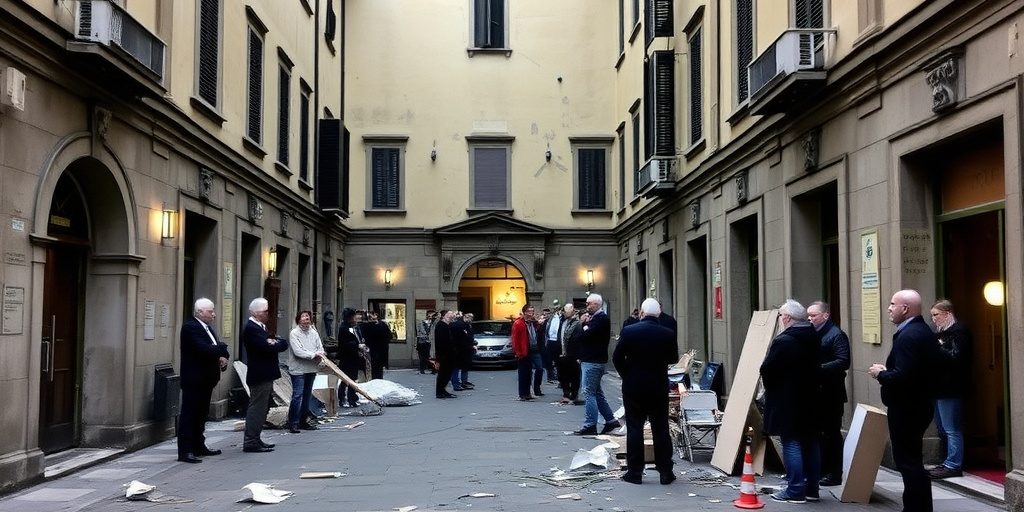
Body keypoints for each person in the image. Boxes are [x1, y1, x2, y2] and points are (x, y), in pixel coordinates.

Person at [869, 289, 941, 512]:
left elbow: (904, 377)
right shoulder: (920, 332)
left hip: (908, 408)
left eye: (892, 304)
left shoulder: (911, 335)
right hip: (916, 406)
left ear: (905, 309)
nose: (889, 309)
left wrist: (881, 374)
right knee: (911, 461)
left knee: (908, 463)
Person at [761, 299, 822, 503]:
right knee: (810, 441)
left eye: (780, 316)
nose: (780, 319)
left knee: (791, 441)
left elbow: (768, 370)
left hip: (787, 399)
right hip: (811, 397)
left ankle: (795, 489)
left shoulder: (784, 341)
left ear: (786, 318)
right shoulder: (813, 336)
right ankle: (812, 488)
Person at [613, 298, 678, 485]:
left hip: (634, 386)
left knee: (634, 428)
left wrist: (627, 374)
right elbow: (672, 358)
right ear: (658, 314)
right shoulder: (667, 333)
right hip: (657, 386)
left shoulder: (629, 331)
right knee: (660, 429)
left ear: (641, 312)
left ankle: (635, 472)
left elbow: (617, 357)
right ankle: (665, 472)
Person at [176, 298, 230, 463]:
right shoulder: (191, 327)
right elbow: (204, 349)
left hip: (207, 379)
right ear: (199, 312)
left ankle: (199, 445)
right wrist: (222, 349)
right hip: (194, 379)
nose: (213, 314)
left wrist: (222, 353)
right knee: (189, 415)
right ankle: (185, 451)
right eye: (210, 311)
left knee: (201, 414)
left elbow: (216, 346)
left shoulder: (207, 328)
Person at [807, 301, 851, 487]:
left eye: (813, 316)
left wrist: (818, 369)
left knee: (831, 433)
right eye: (808, 315)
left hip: (831, 394)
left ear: (825, 315)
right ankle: (821, 470)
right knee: (818, 434)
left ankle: (834, 473)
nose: (809, 319)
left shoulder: (836, 335)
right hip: (818, 392)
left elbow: (843, 361)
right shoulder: (813, 334)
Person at [929, 299, 973, 479]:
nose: (933, 319)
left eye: (936, 315)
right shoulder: (940, 333)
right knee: (941, 426)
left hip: (951, 387)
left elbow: (957, 358)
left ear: (947, 314)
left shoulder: (959, 331)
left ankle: (953, 464)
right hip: (938, 387)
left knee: (951, 427)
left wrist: (938, 348)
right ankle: (947, 461)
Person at [241, 297, 289, 453]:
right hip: (259, 374)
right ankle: (251, 440)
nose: (268, 314)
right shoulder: (252, 329)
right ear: (255, 313)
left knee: (263, 407)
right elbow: (266, 347)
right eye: (265, 311)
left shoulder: (260, 327)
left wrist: (275, 342)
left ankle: (256, 438)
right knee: (257, 408)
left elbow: (282, 343)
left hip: (265, 373)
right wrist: (274, 343)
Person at [573, 293, 621, 435]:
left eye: (589, 303)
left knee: (588, 393)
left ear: (597, 304)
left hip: (593, 360)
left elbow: (584, 336)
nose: (587, 306)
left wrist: (584, 325)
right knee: (596, 393)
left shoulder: (601, 319)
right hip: (591, 359)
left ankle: (590, 425)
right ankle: (610, 420)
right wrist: (586, 326)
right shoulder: (595, 319)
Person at [286, 309, 326, 434]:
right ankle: (293, 423)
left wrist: (320, 353)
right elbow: (298, 352)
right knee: (298, 395)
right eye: (303, 316)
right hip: (298, 369)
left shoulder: (313, 333)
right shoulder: (294, 333)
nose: (306, 318)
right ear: (298, 319)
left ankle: (303, 421)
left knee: (307, 396)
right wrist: (314, 355)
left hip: (311, 368)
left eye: (308, 316)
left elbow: (320, 347)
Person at [511, 304, 545, 400]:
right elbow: (515, 339)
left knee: (533, 371)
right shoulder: (519, 323)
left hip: (533, 349)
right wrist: (518, 352)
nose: (531, 313)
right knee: (523, 373)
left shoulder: (532, 322)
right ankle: (523, 394)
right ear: (525, 312)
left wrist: (537, 323)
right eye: (529, 311)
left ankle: (529, 392)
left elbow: (538, 330)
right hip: (524, 350)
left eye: (532, 311)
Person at [337, 308, 365, 407]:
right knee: (346, 380)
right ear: (349, 318)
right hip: (346, 358)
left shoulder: (355, 328)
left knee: (353, 379)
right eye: (353, 316)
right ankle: (343, 398)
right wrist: (357, 346)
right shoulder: (343, 329)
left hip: (354, 357)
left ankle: (352, 398)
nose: (355, 318)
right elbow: (343, 344)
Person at [556, 304, 582, 405]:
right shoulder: (562, 322)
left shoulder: (577, 324)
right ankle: (566, 394)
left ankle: (573, 395)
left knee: (574, 376)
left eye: (566, 311)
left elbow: (579, 340)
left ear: (572, 311)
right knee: (563, 376)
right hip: (562, 354)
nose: (563, 313)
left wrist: (578, 355)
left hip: (573, 355)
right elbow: (560, 337)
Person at [433, 310, 458, 399]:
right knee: (443, 373)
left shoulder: (446, 325)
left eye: (452, 315)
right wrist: (440, 357)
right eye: (449, 315)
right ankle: (439, 392)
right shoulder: (441, 326)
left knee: (447, 373)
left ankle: (443, 390)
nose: (451, 317)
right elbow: (441, 342)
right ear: (444, 316)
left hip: (448, 354)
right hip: (444, 354)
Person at [451, 312, 476, 390]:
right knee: (456, 367)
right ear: (465, 317)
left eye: (472, 318)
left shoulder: (467, 325)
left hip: (465, 349)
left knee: (464, 366)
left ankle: (463, 382)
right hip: (460, 349)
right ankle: (457, 384)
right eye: (469, 317)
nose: (471, 319)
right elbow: (462, 338)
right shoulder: (459, 325)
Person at [364, 310, 391, 380]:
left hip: (372, 351)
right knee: (378, 372)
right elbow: (389, 337)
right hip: (380, 351)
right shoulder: (382, 325)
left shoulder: (366, 326)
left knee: (372, 371)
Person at [543, 307, 561, 383]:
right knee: (549, 359)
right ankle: (550, 376)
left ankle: (558, 376)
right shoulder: (549, 320)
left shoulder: (560, 318)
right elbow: (547, 330)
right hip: (550, 340)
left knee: (558, 359)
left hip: (557, 341)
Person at [417, 310, 438, 374]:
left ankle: (433, 369)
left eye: (432, 315)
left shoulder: (434, 323)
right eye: (430, 315)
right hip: (423, 341)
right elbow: (421, 331)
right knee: (423, 355)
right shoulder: (422, 322)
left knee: (432, 355)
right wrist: (426, 336)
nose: (430, 316)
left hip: (432, 341)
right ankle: (422, 368)